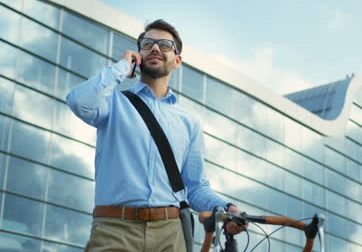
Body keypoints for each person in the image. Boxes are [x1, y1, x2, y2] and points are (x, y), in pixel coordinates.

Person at [67, 19, 245, 252]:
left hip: (170, 232)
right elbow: (79, 101)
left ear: (177, 60)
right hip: (114, 228)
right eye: (147, 44)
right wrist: (122, 67)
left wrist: (228, 208)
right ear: (138, 56)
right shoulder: (113, 103)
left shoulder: (188, 122)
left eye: (164, 45)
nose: (154, 48)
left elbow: (195, 187)